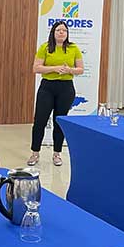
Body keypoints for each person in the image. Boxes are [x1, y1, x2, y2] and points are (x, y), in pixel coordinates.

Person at [28, 21, 84, 167]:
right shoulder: (45, 47)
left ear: (67, 33)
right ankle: (35, 152)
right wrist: (54, 68)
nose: (61, 32)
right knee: (40, 121)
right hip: (47, 87)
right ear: (53, 32)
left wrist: (69, 70)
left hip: (66, 88)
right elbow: (36, 68)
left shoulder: (73, 48)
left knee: (59, 121)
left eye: (64, 30)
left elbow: (80, 69)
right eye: (58, 30)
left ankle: (57, 153)